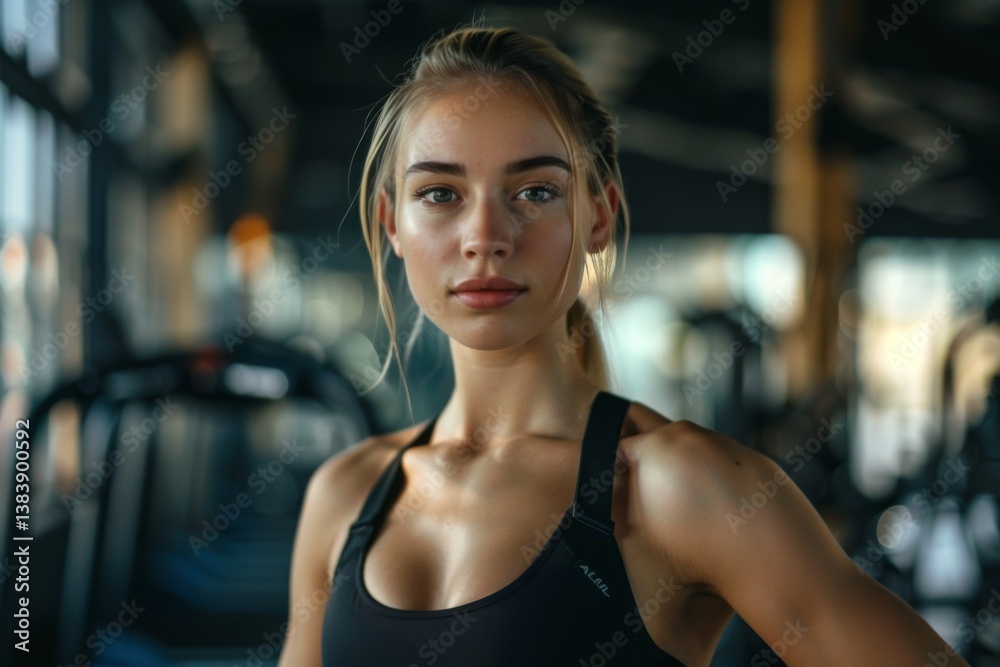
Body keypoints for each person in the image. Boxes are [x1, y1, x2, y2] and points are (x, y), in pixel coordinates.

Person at [277, 23, 970, 667]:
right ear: (390, 221)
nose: (484, 235)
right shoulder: (344, 493)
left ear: (599, 217)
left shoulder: (681, 487)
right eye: (440, 194)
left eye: (536, 191)